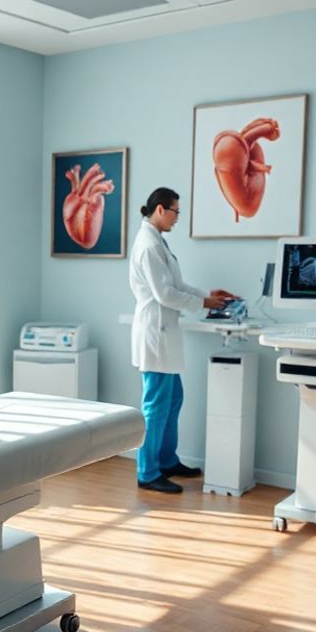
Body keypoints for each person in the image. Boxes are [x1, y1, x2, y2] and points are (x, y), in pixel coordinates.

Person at [129, 187, 237, 494]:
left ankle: (166, 460)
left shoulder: (157, 241)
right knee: (155, 406)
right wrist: (203, 305)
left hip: (165, 334)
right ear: (161, 209)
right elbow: (165, 294)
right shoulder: (148, 245)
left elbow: (177, 284)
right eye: (176, 212)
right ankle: (147, 472)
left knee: (173, 400)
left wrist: (207, 294)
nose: (177, 218)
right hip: (155, 333)